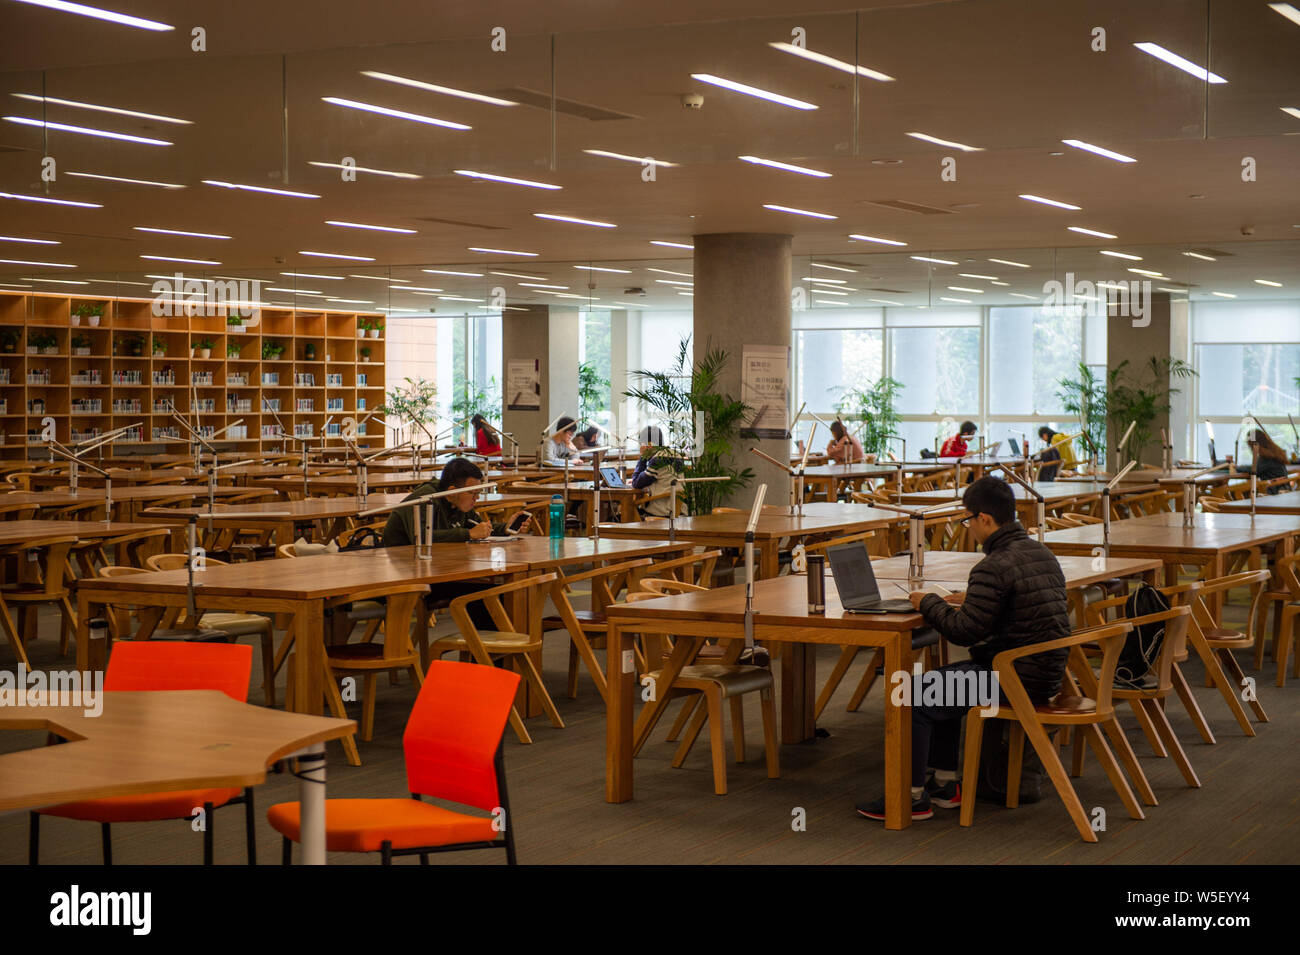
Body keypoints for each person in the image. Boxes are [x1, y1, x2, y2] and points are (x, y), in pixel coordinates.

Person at [855, 476, 1070, 822]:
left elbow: (963, 633)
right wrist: (974, 598)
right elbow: (1018, 604)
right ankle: (944, 784)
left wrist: (928, 602)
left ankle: (910, 797)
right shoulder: (1040, 552)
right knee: (941, 683)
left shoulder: (993, 565)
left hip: (1013, 678)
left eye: (968, 520)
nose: (968, 527)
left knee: (910, 693)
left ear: (984, 518)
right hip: (1044, 671)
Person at [631, 425, 679, 518]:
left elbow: (636, 483)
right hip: (677, 509)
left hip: (661, 511)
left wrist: (643, 457)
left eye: (641, 444)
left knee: (627, 510)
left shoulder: (658, 459)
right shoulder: (675, 454)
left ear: (648, 444)